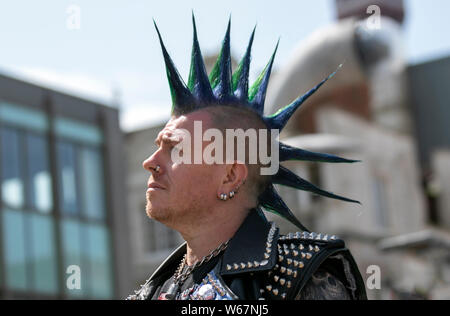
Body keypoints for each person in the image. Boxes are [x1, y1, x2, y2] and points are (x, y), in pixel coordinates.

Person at [127, 16, 367, 300]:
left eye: (175, 149)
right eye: (158, 147)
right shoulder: (150, 294)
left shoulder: (303, 277)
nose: (150, 162)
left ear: (230, 176)